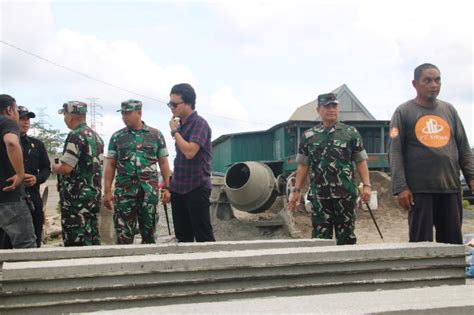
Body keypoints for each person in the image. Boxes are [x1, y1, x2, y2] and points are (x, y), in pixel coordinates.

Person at [389, 63, 474, 244]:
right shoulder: (404, 112)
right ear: (415, 84)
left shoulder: (449, 110)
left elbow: (464, 148)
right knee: (421, 245)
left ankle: (450, 273)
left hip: (450, 188)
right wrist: (400, 187)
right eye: (427, 80)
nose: (434, 84)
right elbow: (395, 151)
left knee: (452, 244)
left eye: (437, 80)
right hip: (420, 190)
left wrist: (472, 177)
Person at [288, 92, 371, 245]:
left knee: (346, 238)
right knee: (320, 239)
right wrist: (296, 190)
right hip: (320, 197)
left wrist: (367, 186)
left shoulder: (350, 133)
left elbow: (361, 161)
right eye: (327, 106)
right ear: (318, 110)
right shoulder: (309, 136)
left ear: (338, 109)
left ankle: (345, 268)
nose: (331, 109)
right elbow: (303, 165)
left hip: (345, 194)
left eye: (334, 106)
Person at [104, 99, 171, 244]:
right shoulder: (117, 137)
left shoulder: (156, 135)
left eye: (128, 113)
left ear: (139, 113)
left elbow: (164, 162)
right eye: (123, 114)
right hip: (125, 193)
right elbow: (110, 165)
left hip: (149, 193)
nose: (124, 117)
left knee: (149, 235)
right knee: (123, 236)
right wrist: (107, 191)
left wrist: (167, 187)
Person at [52, 101, 104, 246]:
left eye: (64, 115)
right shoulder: (95, 136)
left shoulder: (75, 136)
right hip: (93, 195)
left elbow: (66, 168)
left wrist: (55, 167)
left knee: (76, 240)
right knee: (92, 235)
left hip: (76, 199)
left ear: (70, 116)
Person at [168, 83, 215, 242]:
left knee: (204, 237)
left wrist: (175, 132)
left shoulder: (199, 124)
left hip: (196, 188)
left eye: (174, 104)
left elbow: (190, 152)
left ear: (188, 103)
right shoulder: (182, 125)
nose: (171, 108)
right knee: (183, 238)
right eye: (170, 104)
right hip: (179, 189)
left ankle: (212, 266)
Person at [0, 94, 36, 248]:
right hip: (9, 197)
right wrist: (20, 174)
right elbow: (11, 142)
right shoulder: (7, 122)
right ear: (9, 110)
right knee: (25, 245)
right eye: (16, 110)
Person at [18, 106, 51, 247]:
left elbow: (46, 169)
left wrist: (36, 178)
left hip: (32, 197)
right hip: (10, 198)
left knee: (35, 234)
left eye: (28, 119)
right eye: (22, 119)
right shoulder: (5, 143)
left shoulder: (37, 145)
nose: (26, 122)